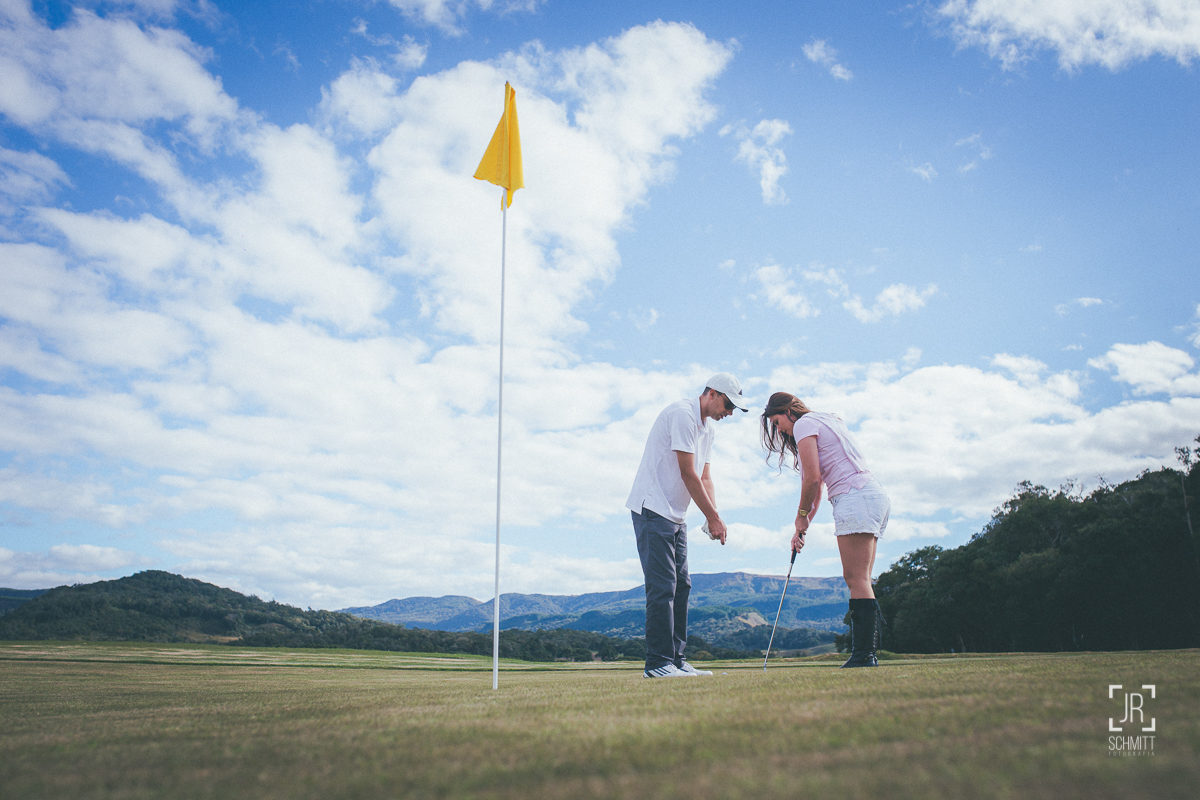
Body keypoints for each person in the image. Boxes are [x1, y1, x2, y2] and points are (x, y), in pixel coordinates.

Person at [626, 373, 749, 678]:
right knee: (662, 588)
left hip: (676, 516)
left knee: (682, 587)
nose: (729, 412)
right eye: (728, 404)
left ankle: (676, 660)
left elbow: (705, 476)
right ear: (711, 393)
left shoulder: (708, 431)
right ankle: (657, 663)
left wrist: (714, 514)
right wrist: (712, 517)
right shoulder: (682, 414)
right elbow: (687, 473)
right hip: (652, 508)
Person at [760, 392, 890, 668]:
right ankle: (867, 654)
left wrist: (800, 517)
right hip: (869, 495)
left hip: (854, 497)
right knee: (862, 578)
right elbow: (817, 485)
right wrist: (804, 523)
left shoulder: (805, 424)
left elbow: (812, 479)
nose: (778, 428)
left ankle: (865, 655)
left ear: (788, 412)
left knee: (856, 578)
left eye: (776, 421)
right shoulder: (827, 419)